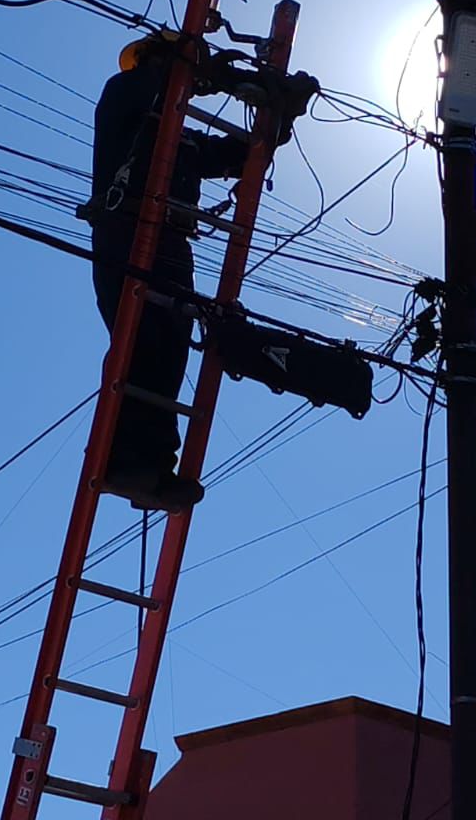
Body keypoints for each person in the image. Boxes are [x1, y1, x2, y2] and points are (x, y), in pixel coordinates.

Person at [84, 30, 313, 512]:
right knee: (140, 346)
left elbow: (239, 157)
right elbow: (156, 87)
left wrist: (280, 117)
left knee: (169, 352)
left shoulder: (182, 137)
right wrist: (207, 75)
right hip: (126, 233)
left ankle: (152, 469)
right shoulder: (123, 94)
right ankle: (127, 465)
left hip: (170, 245)